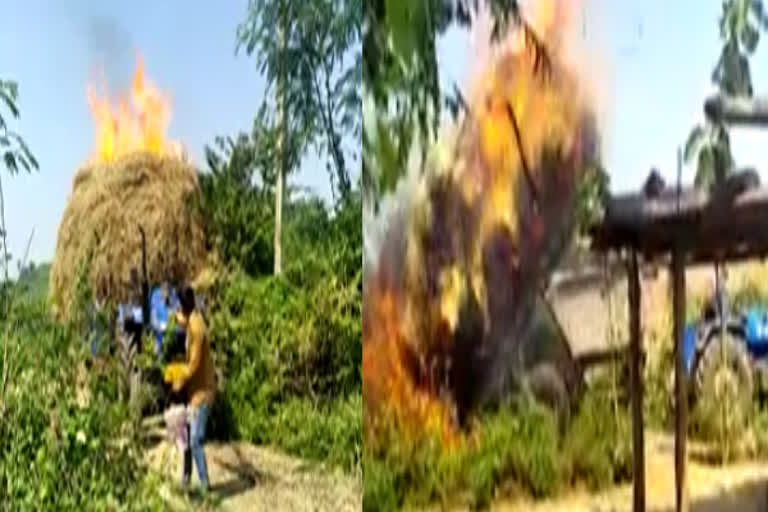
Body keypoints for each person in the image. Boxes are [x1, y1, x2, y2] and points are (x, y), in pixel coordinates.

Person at [170, 285, 216, 492]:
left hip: (202, 393)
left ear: (184, 306)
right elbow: (186, 322)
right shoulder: (194, 320)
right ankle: (186, 480)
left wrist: (178, 380)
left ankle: (205, 487)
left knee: (196, 440)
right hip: (194, 392)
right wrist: (178, 319)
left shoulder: (196, 329)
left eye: (180, 307)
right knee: (186, 438)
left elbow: (194, 364)